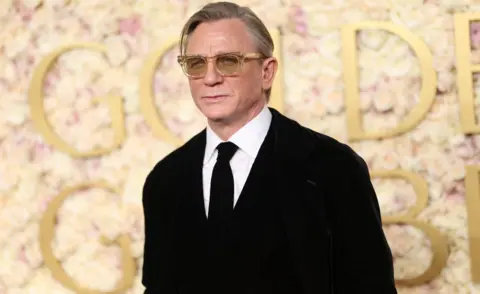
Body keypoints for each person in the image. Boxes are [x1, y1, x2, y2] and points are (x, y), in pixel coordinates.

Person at [141, 2, 397, 293]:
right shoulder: (165, 179)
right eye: (197, 64)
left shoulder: (332, 167)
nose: (210, 78)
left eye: (228, 61)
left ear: (267, 72)